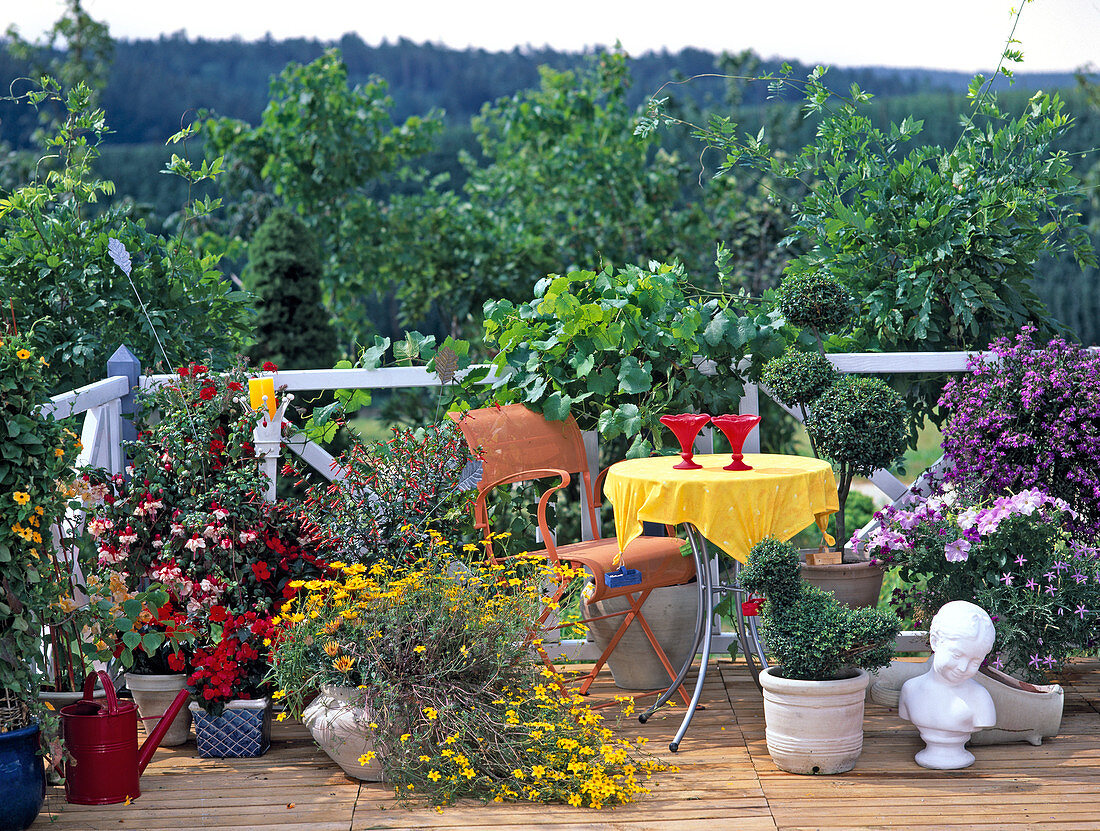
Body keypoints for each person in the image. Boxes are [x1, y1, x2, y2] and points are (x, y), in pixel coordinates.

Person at [899, 600, 996, 769]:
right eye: (957, 655)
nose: (963, 667)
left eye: (975, 661)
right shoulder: (911, 690)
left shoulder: (980, 698)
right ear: (935, 641)